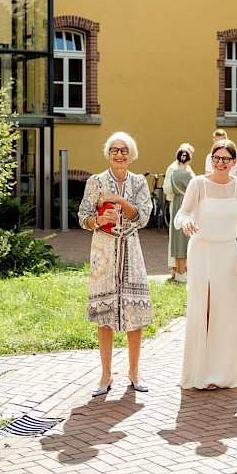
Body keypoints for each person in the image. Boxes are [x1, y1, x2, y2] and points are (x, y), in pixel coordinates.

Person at [78, 132, 153, 396]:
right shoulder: (95, 182)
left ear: (131, 155)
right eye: (114, 150)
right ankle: (106, 374)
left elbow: (143, 216)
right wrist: (99, 220)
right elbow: (82, 217)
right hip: (104, 251)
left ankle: (134, 372)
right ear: (108, 154)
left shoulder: (139, 183)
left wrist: (120, 201)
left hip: (131, 250)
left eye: (123, 151)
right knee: (104, 314)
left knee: (135, 313)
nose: (119, 155)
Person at [173, 140, 237, 390]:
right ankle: (201, 372)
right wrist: (186, 223)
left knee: (225, 312)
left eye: (226, 159)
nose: (220, 163)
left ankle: (223, 371)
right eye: (216, 157)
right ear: (210, 158)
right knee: (203, 309)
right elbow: (181, 214)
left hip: (228, 252)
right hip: (202, 249)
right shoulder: (199, 184)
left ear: (234, 162)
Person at [163, 144, 196, 281]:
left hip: (181, 202)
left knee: (182, 237)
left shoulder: (185, 170)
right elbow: (167, 188)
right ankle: (177, 269)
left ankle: (182, 269)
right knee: (178, 237)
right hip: (177, 203)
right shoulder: (174, 169)